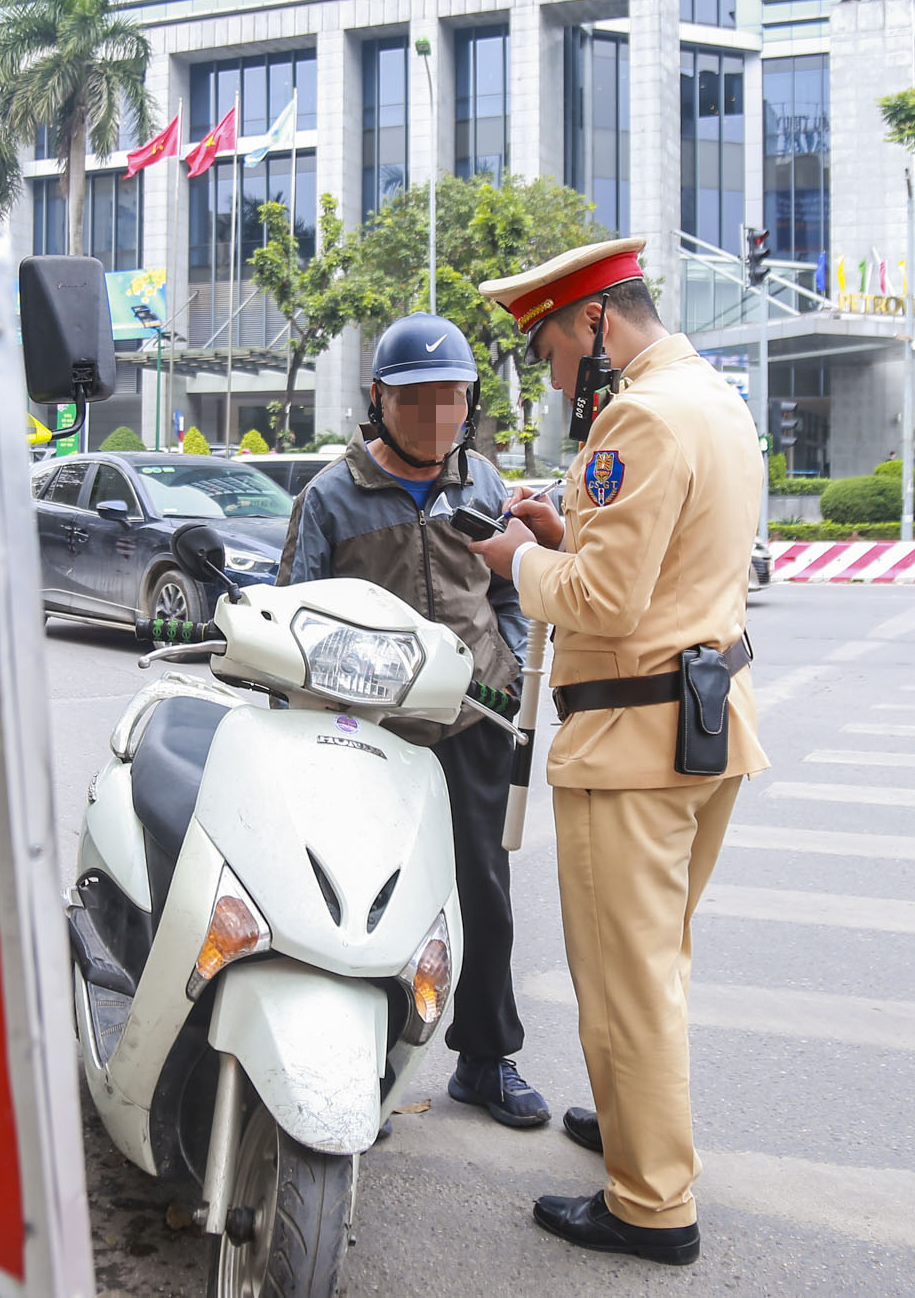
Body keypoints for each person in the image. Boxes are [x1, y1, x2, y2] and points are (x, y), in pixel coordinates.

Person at [471, 238, 767, 1266]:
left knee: (625, 977)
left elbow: (603, 594)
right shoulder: (711, 398)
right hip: (699, 722)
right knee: (657, 962)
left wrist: (522, 555)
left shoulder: (635, 415)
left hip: (629, 739)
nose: (550, 370)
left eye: (550, 343)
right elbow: (667, 554)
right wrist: (565, 529)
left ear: (596, 320)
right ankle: (632, 1120)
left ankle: (650, 1204)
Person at [279, 312, 549, 1132]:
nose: (438, 416)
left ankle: (486, 1057)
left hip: (471, 720)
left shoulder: (487, 487)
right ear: (378, 400)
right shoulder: (331, 496)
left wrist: (504, 667)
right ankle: (364, 1065)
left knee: (483, 892)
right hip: (370, 736)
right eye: (418, 399)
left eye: (454, 398)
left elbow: (511, 598)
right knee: (359, 899)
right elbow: (294, 611)